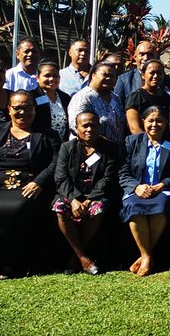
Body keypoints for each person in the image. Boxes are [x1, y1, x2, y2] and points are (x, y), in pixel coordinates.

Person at [0, 90, 59, 279]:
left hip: (26, 187)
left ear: (34, 109)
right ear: (9, 109)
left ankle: (11, 264)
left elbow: (56, 162)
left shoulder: (48, 135)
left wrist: (39, 182)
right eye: (17, 108)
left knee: (16, 209)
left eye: (27, 107)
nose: (22, 112)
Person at [119, 105, 170, 276]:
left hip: (162, 190)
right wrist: (136, 187)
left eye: (159, 121)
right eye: (150, 120)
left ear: (166, 123)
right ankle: (147, 255)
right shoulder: (132, 142)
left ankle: (144, 257)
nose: (155, 124)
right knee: (133, 207)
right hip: (137, 189)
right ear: (143, 122)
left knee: (162, 206)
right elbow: (122, 171)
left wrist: (162, 185)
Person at [53, 109, 119, 275]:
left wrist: (89, 200)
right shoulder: (67, 148)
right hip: (70, 194)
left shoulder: (109, 148)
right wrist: (74, 199)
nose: (89, 129)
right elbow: (61, 177)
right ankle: (83, 257)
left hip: (96, 195)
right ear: (76, 128)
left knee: (98, 208)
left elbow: (108, 178)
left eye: (93, 125)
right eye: (85, 126)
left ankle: (76, 257)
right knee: (60, 208)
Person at [69, 61, 125, 146]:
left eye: (112, 76)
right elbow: (75, 126)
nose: (109, 78)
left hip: (114, 152)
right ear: (93, 75)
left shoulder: (115, 98)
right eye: (105, 75)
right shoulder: (83, 97)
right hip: (90, 151)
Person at [114, 41, 170, 109]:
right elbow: (117, 109)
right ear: (135, 57)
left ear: (157, 56)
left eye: (150, 54)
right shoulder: (124, 80)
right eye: (142, 54)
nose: (146, 58)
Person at [125, 59, 170, 136]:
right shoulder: (136, 97)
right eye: (152, 73)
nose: (156, 76)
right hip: (143, 143)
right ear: (143, 75)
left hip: (165, 144)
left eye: (159, 73)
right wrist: (150, 144)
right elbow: (134, 128)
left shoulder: (166, 97)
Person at [31, 60, 71, 140]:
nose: (52, 79)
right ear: (37, 78)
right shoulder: (32, 97)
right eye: (47, 75)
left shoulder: (65, 98)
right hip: (40, 143)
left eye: (55, 75)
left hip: (61, 145)